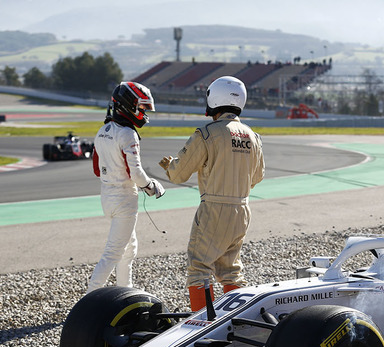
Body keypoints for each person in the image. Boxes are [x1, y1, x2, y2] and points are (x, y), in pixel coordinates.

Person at [159, 76, 265, 312]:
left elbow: (178, 174)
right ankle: (236, 321)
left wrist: (169, 165)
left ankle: (201, 324)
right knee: (231, 271)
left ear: (213, 99)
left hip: (213, 208)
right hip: (242, 209)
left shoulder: (206, 133)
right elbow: (256, 177)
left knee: (199, 269)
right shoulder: (253, 137)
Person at [86, 81, 165, 294]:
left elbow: (96, 168)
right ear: (127, 105)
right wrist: (152, 186)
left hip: (107, 197)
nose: (144, 113)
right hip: (124, 200)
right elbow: (136, 174)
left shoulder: (102, 130)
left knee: (129, 249)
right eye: (141, 108)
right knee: (113, 252)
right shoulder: (128, 134)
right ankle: (88, 298)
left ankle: (125, 291)